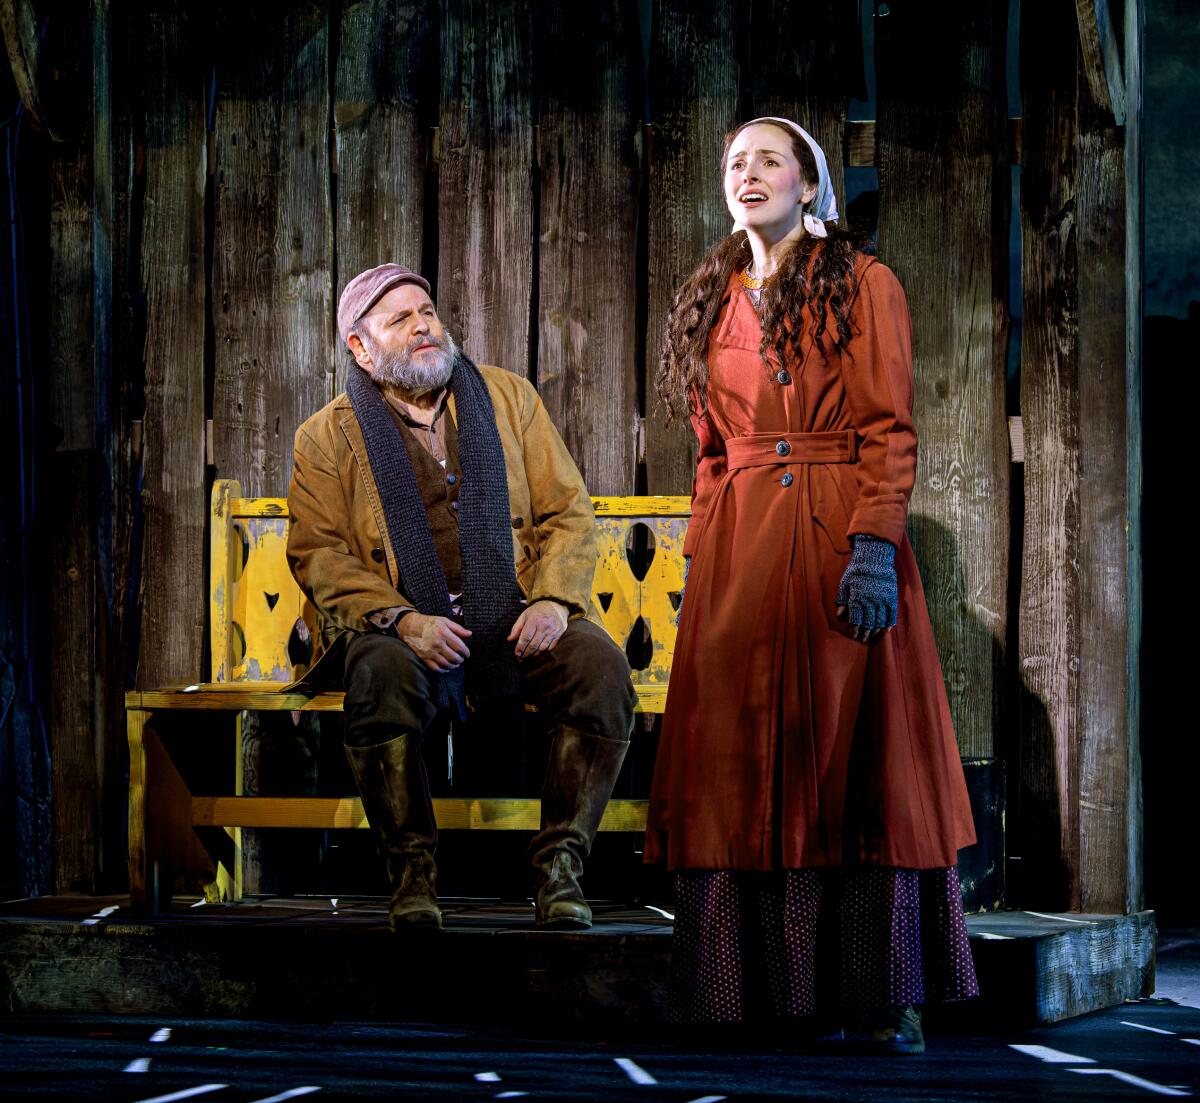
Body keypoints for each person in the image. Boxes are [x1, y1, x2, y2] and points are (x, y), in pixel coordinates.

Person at [645, 118, 979, 1052]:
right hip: (746, 548)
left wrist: (873, 544)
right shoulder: (715, 297)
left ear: (808, 184)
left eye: (767, 161)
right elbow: (711, 453)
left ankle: (878, 997)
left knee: (852, 759)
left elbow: (888, 428)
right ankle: (748, 994)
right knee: (740, 766)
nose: (746, 175)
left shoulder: (863, 283)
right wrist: (707, 552)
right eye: (733, 163)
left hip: (837, 533)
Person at [287, 263, 634, 931]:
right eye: (399, 320)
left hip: (513, 612)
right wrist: (403, 618)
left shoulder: (509, 399)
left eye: (427, 312)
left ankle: (560, 868)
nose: (423, 325)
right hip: (400, 625)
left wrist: (555, 600)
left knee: (600, 669)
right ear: (360, 348)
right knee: (378, 674)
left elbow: (569, 511)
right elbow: (318, 552)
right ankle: (412, 874)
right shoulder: (325, 437)